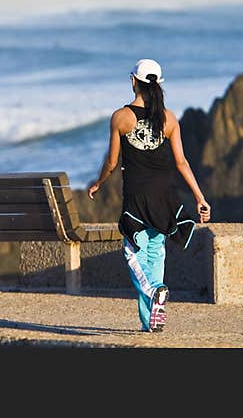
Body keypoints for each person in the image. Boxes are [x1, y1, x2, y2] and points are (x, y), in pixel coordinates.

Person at [88, 58, 210, 333]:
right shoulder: (169, 118)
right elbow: (182, 162)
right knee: (155, 253)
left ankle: (155, 290)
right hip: (167, 197)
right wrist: (200, 197)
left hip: (137, 199)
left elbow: (112, 162)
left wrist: (98, 183)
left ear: (133, 81)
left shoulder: (121, 117)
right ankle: (149, 323)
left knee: (133, 253)